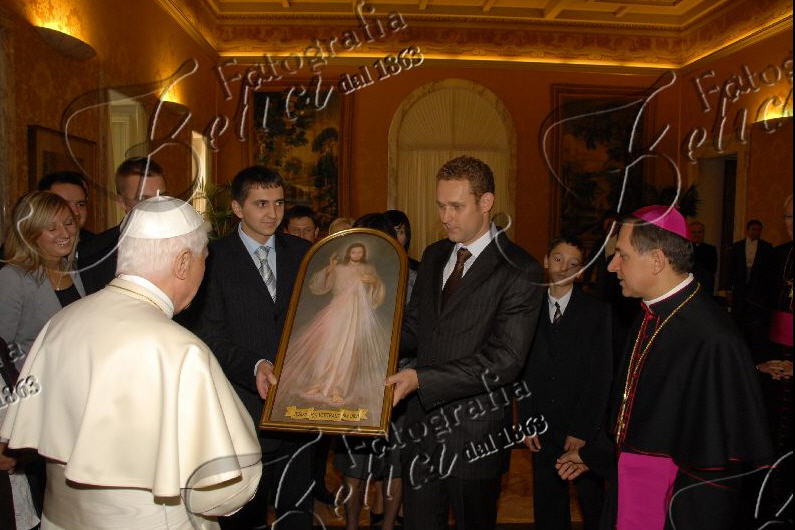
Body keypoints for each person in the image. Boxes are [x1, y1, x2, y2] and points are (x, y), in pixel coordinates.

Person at [0, 196, 263, 529]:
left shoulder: (61, 322)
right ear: (183, 262)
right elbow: (224, 489)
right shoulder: (180, 350)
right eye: (204, 260)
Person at [556, 205, 774, 530]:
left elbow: (716, 465)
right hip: (632, 488)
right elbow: (639, 416)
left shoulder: (713, 339)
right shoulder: (651, 314)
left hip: (675, 507)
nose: (612, 266)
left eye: (622, 255)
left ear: (657, 260)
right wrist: (594, 455)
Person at [386, 156, 544, 530]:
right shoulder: (434, 255)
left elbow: (504, 361)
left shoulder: (521, 269)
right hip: (421, 431)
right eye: (441, 205)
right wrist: (368, 342)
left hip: (475, 435)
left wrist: (421, 379)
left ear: (486, 202)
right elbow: (415, 328)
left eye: (456, 206)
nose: (445, 217)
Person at [195, 166, 313, 530]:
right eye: (261, 203)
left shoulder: (304, 253)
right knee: (243, 516)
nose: (273, 213)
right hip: (242, 410)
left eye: (279, 203)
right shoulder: (211, 259)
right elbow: (210, 335)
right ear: (237, 207)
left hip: (299, 409)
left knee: (297, 514)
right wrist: (255, 365)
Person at [519, 236, 612, 530]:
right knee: (548, 503)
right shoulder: (527, 308)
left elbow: (601, 375)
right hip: (541, 425)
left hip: (581, 428)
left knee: (591, 501)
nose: (564, 267)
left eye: (574, 264)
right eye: (558, 259)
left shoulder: (596, 312)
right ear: (547, 261)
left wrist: (582, 429)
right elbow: (521, 371)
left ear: (581, 272)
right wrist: (526, 420)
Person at [0, 192, 85, 371]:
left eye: (69, 223)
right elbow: (3, 349)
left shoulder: (77, 270)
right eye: (52, 229)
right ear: (29, 233)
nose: (65, 233)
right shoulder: (13, 277)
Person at [78, 156, 166, 294]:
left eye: (161, 197)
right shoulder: (93, 254)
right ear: (121, 202)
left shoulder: (189, 245)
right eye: (143, 199)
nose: (156, 206)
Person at [728, 219, 774, 345]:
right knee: (738, 315)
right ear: (747, 230)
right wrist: (729, 288)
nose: (756, 232)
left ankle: (753, 343)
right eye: (753, 229)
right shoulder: (737, 246)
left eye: (758, 230)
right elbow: (731, 268)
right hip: (740, 288)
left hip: (757, 289)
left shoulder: (767, 247)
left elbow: (769, 271)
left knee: (754, 317)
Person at [37, 171, 94, 242]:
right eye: (65, 204)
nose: (76, 212)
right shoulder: (28, 243)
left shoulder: (98, 245)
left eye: (80, 204)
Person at [688, 221, 717, 295]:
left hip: (705, 286)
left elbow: (713, 269)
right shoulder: (685, 249)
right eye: (694, 232)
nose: (697, 235)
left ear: (703, 233)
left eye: (699, 232)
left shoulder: (711, 249)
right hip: (688, 284)